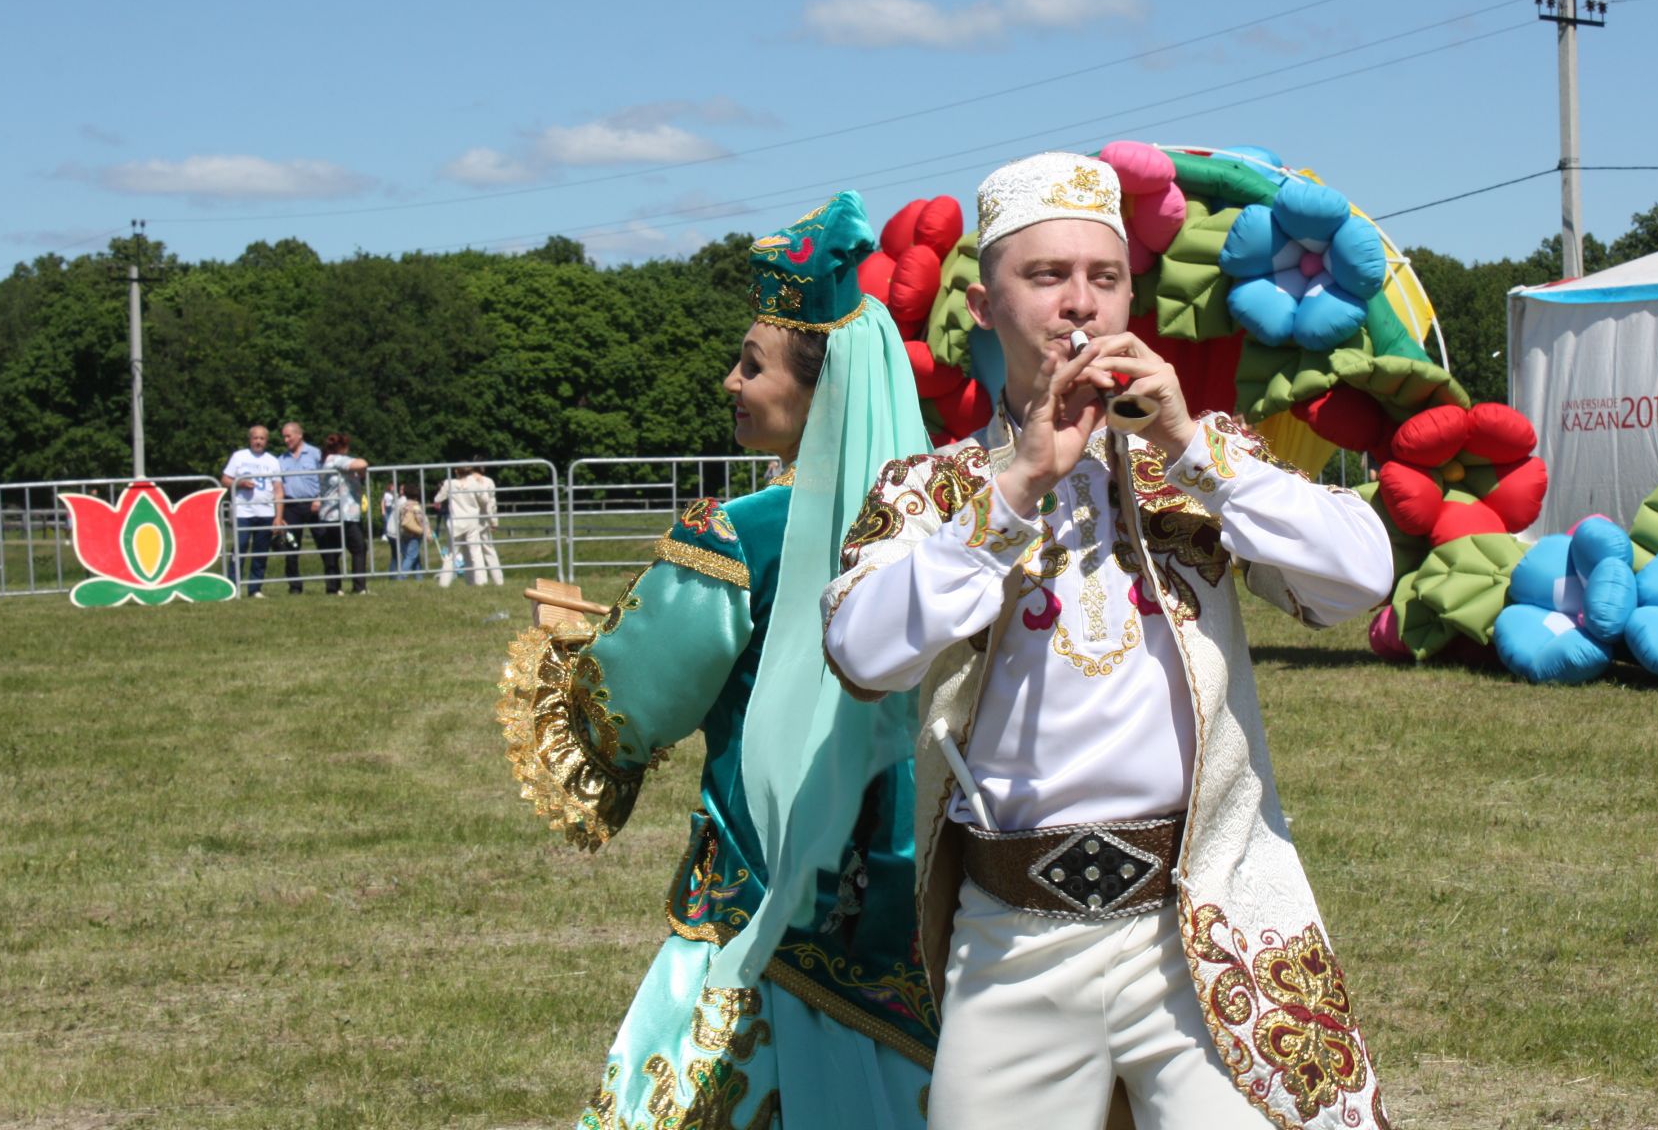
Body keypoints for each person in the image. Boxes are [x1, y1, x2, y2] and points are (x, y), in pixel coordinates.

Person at [823, 153, 1398, 1130]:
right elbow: (861, 653)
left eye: (1103, 276)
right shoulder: (931, 491)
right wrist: (1015, 487)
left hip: (1203, 925)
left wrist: (1189, 450)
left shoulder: (1202, 461)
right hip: (1013, 938)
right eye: (1045, 276)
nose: (1078, 305)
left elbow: (1358, 578)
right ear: (981, 303)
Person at [498, 192, 937, 1129]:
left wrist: (572, 647)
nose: (728, 382)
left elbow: (633, 697)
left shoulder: (743, 532)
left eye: (751, 363)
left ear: (824, 389)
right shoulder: (946, 522)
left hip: (759, 891)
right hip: (916, 905)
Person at [275, 421, 340, 595]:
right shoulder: (281, 460)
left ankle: (333, 586)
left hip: (315, 504)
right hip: (292, 506)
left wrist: (320, 498)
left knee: (325, 545)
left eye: (289, 436)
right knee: (291, 547)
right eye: (284, 436)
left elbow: (327, 479)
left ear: (299, 435)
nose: (286, 439)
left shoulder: (316, 454)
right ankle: (295, 587)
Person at [220, 424, 283, 598]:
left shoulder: (272, 460)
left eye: (262, 438)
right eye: (255, 438)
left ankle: (255, 588)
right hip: (243, 512)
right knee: (239, 548)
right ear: (250, 439)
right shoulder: (239, 457)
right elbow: (225, 480)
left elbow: (278, 490)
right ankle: (233, 586)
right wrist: (240, 483)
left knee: (261, 551)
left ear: (266, 441)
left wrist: (278, 516)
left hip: (265, 512)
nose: (258, 441)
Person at [318, 433, 371, 595]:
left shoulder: (326, 462)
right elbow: (362, 463)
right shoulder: (337, 460)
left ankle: (334, 588)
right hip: (344, 514)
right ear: (342, 448)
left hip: (329, 514)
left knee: (333, 552)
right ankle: (359, 587)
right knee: (359, 548)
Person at [435, 464, 503, 587]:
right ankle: (481, 582)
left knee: (451, 554)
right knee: (475, 553)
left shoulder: (449, 483)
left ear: (456, 471)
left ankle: (443, 584)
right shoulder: (474, 484)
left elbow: (438, 499)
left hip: (456, 522)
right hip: (471, 521)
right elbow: (484, 500)